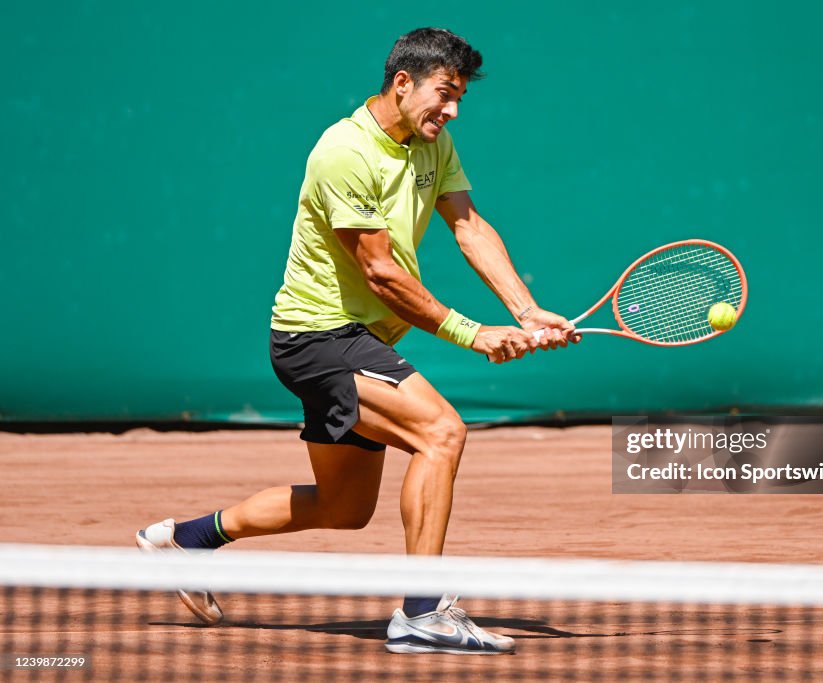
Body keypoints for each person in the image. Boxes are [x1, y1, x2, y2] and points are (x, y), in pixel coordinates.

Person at [136, 27, 577, 656]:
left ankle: (186, 539)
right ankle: (422, 613)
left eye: (459, 98)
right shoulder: (342, 151)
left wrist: (528, 311)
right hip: (318, 337)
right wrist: (473, 333)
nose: (452, 110)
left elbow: (469, 224)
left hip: (356, 338)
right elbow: (381, 272)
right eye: (444, 94)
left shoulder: (435, 143)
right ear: (403, 83)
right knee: (442, 433)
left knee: (342, 506)